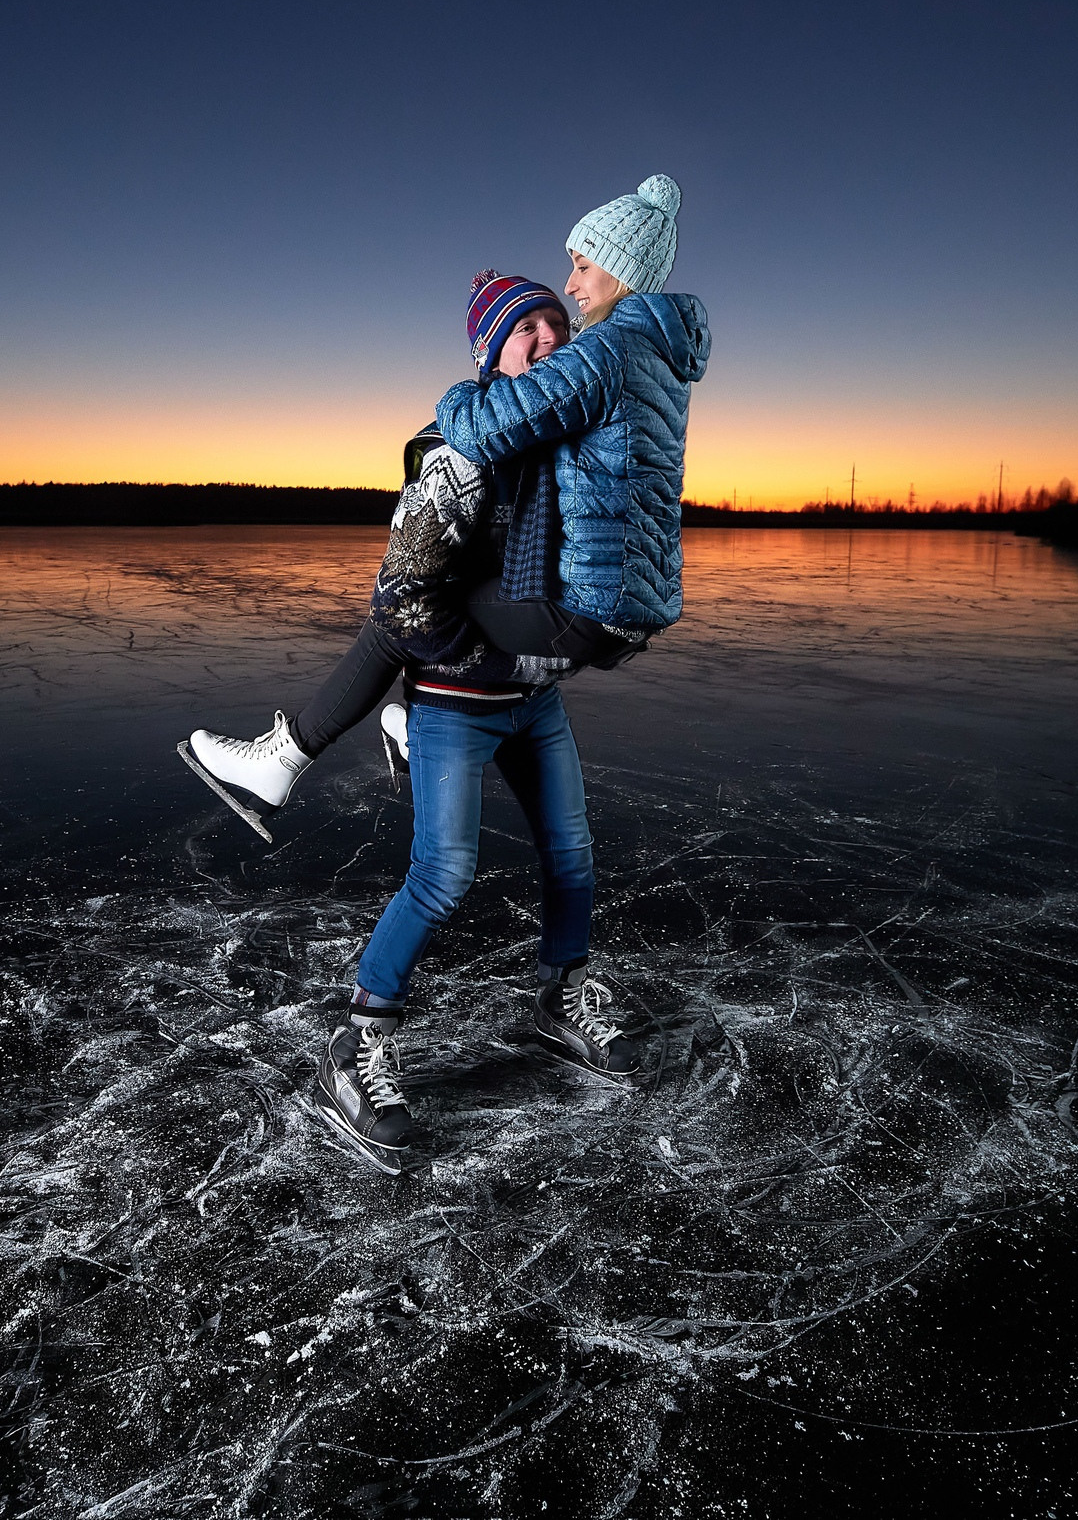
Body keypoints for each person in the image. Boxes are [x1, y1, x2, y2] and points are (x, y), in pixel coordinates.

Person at [192, 175, 711, 1169]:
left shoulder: (562, 423)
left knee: (572, 855)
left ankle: (562, 997)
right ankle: (359, 1038)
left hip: (534, 698)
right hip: (461, 699)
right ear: (491, 352)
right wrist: (488, 659)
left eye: (557, 322)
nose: (550, 337)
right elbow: (403, 605)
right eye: (527, 330)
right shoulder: (455, 456)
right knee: (444, 875)